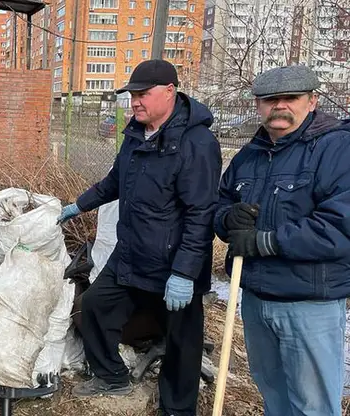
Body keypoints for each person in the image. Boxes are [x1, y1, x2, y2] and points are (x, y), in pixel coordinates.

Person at [58, 59, 222, 415]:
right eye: (132, 95)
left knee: (181, 340)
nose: (135, 102)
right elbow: (114, 181)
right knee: (94, 306)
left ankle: (177, 409)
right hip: (132, 251)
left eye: (143, 94)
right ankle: (112, 376)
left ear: (169, 92)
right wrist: (78, 205)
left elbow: (200, 214)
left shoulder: (196, 143)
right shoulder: (135, 134)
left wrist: (184, 273)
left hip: (174, 261)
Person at [215, 65, 350, 416]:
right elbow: (220, 203)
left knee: (313, 407)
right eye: (270, 100)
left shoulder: (336, 150)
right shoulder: (250, 155)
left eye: (291, 98)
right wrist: (227, 218)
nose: (280, 106)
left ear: (313, 100)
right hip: (256, 300)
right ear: (258, 105)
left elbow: (339, 227)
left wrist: (266, 242)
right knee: (273, 398)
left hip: (308, 305)